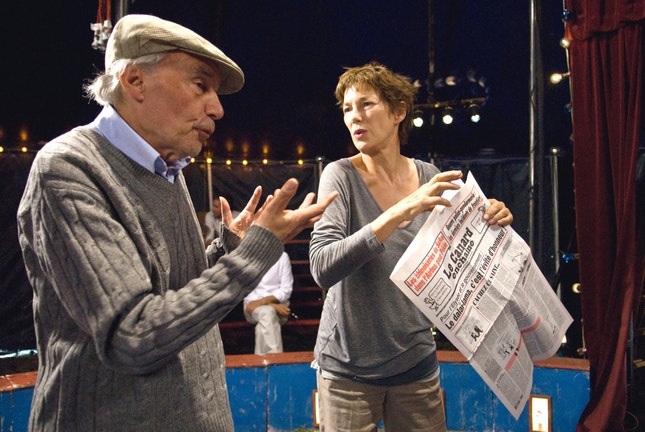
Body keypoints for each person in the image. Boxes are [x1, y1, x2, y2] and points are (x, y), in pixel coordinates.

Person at [16, 14, 336, 432]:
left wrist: (228, 249)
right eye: (200, 85)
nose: (217, 108)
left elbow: (171, 291)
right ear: (134, 81)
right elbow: (135, 336)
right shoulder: (69, 168)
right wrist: (257, 252)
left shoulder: (167, 169)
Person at [309, 62, 513, 432]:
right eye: (347, 109)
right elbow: (322, 266)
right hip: (348, 370)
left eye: (366, 104)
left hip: (416, 364)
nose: (355, 117)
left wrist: (493, 219)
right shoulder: (339, 175)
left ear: (399, 111)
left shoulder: (430, 178)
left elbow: (465, 259)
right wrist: (399, 211)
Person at [243, 251, 293, 354]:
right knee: (268, 312)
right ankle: (276, 358)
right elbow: (249, 296)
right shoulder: (246, 258)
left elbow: (286, 289)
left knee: (262, 324)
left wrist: (266, 303)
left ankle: (259, 361)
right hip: (253, 307)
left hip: (280, 305)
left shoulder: (282, 256)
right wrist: (272, 306)